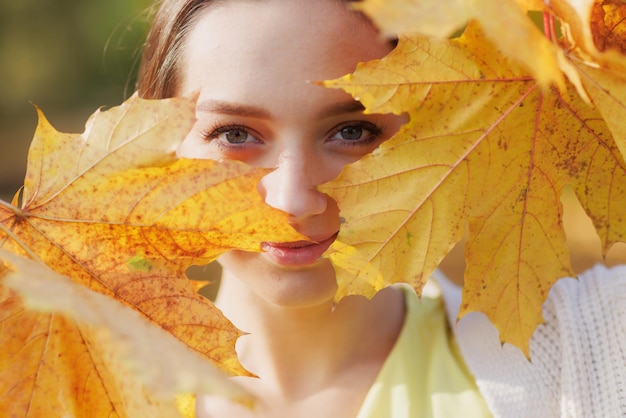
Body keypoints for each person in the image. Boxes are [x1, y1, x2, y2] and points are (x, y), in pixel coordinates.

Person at [137, 1, 626, 417]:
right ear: (158, 141)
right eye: (235, 135)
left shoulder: (585, 347)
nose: (293, 200)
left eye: (352, 131)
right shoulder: (81, 381)